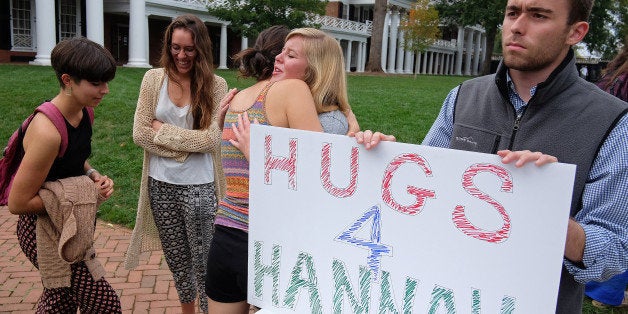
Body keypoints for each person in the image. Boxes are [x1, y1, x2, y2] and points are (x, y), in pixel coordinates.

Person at [354, 1, 628, 313]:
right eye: (512, 13)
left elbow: (613, 254)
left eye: (538, 16)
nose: (517, 26)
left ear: (575, 32)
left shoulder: (612, 121)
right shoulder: (463, 96)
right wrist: (385, 163)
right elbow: (426, 196)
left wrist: (546, 211)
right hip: (444, 297)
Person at [205, 27, 358, 313]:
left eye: (289, 54)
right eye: (282, 52)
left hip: (225, 235)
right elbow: (320, 177)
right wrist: (350, 124)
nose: (279, 58)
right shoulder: (293, 90)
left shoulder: (238, 98)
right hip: (271, 241)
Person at [7, 37, 120, 313]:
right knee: (105, 305)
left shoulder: (85, 113)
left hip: (70, 224)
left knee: (60, 302)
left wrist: (92, 174)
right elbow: (17, 203)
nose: (105, 90)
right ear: (68, 80)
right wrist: (82, 193)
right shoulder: (47, 131)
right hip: (42, 231)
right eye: (96, 83)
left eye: (106, 82)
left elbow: (73, 158)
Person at [123, 14, 227, 314]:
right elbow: (140, 132)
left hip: (200, 187)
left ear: (201, 49)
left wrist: (164, 131)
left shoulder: (216, 85)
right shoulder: (153, 79)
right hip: (160, 186)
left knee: (206, 263)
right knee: (178, 262)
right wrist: (184, 147)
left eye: (189, 49)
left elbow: (211, 141)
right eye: (175, 47)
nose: (181, 55)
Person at [584, 38, 628, 309]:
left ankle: (597, 289)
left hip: (600, 150)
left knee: (603, 218)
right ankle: (606, 294)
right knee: (617, 222)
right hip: (620, 151)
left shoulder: (613, 76)